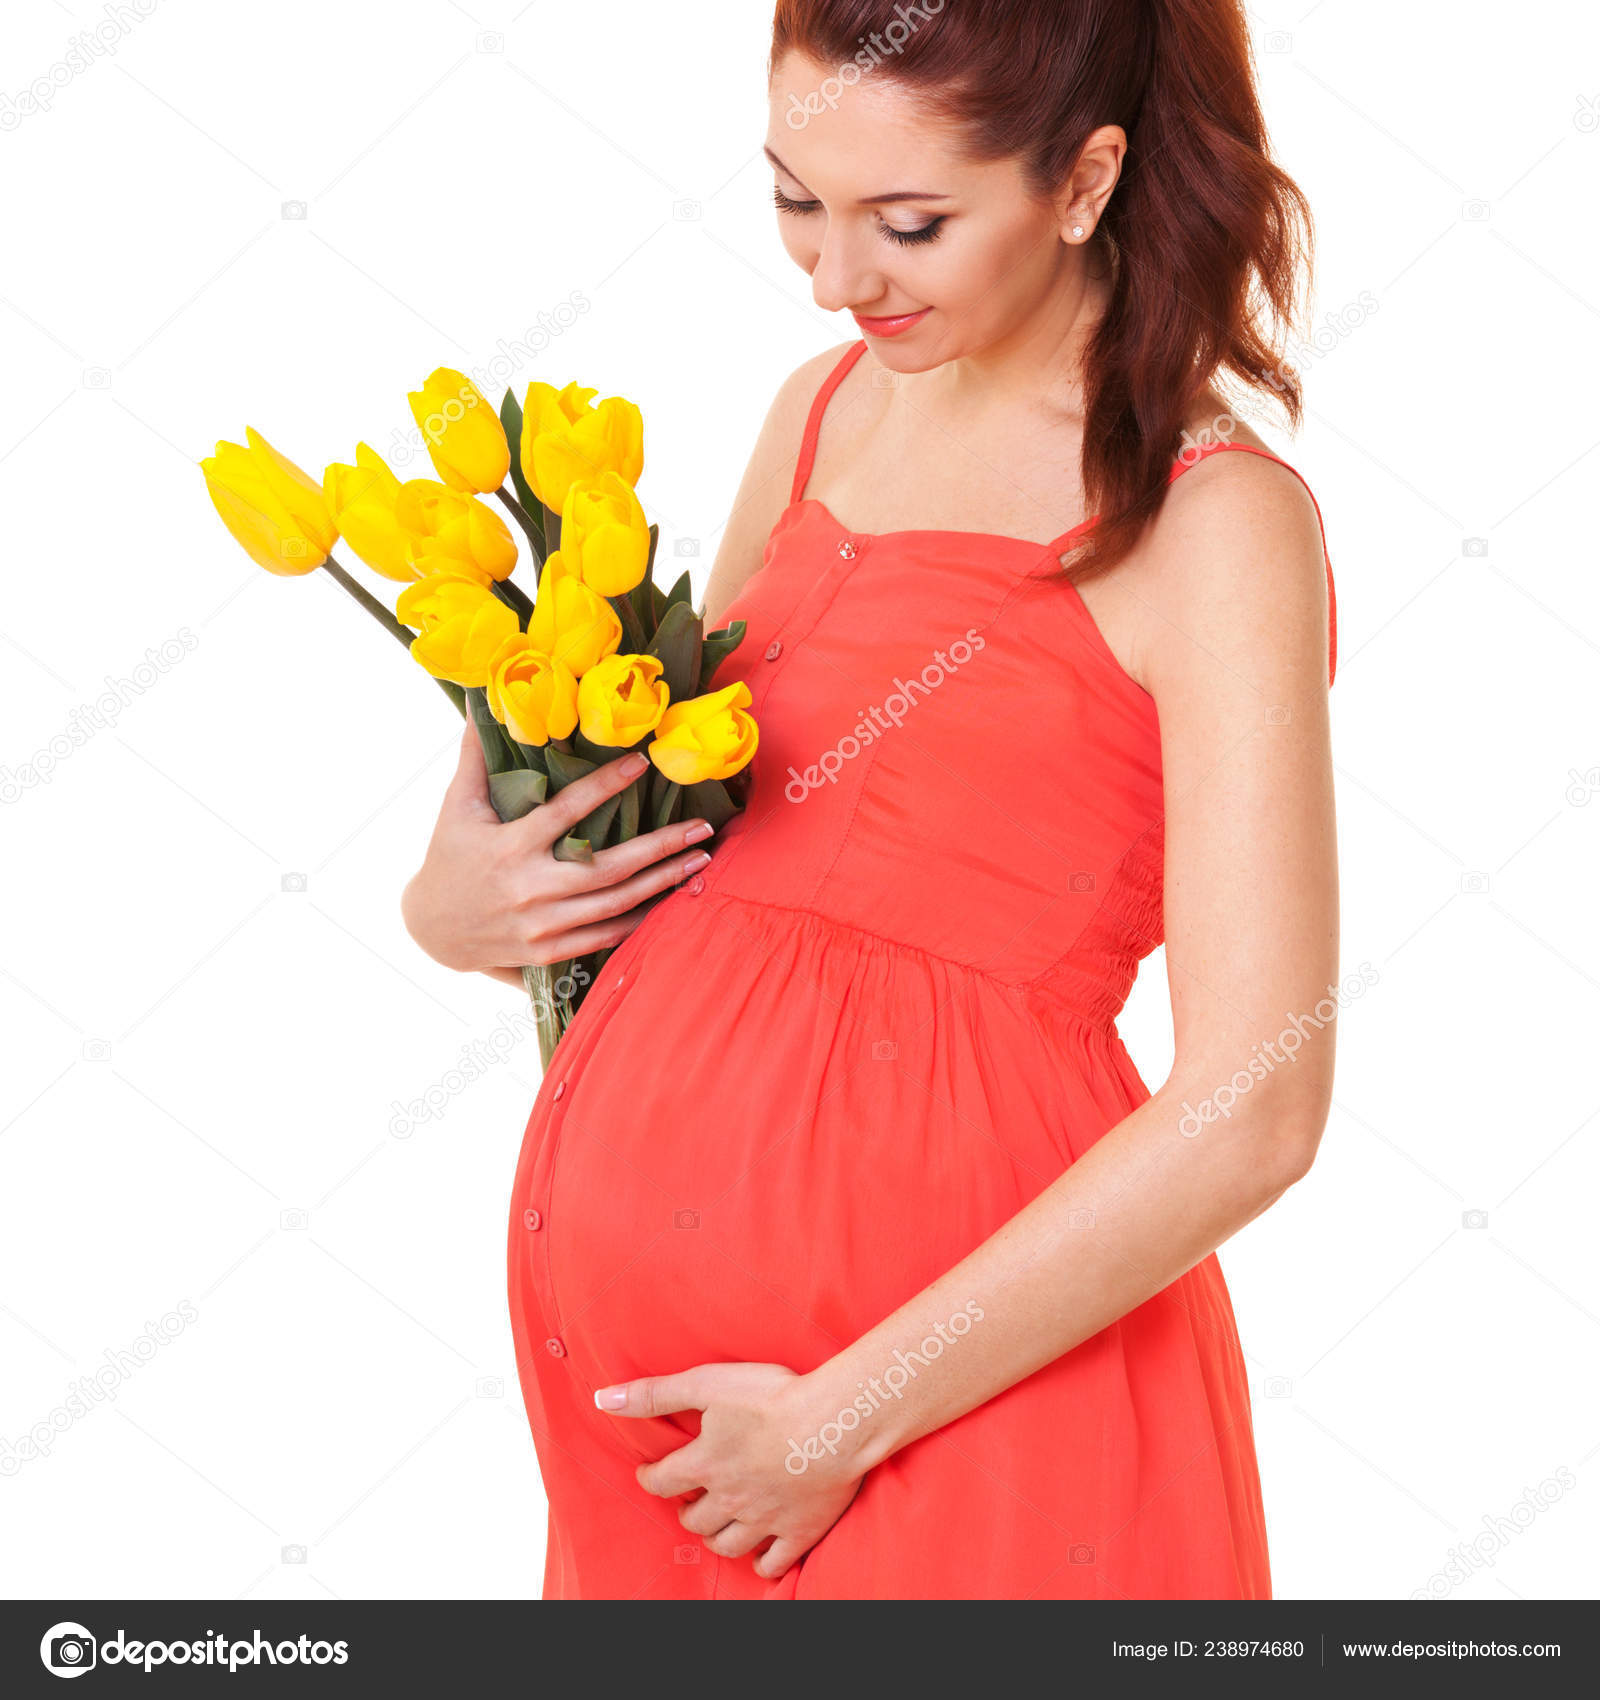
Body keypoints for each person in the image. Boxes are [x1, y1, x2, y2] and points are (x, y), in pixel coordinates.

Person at [402, 0, 1339, 1599]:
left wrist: (843, 1417)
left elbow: (1256, 1103)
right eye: (795, 200)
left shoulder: (1214, 524)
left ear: (1086, 178)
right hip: (680, 1452)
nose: (837, 277)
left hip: (947, 1425)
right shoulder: (821, 412)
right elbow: (685, 843)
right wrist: (463, 901)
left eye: (909, 223)